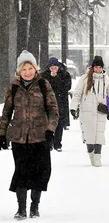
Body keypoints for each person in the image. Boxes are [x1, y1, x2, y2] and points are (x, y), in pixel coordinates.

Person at [0, 50, 59, 219]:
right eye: (24, 69)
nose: (27, 72)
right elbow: (6, 112)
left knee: (40, 172)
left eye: (30, 68)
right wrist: (2, 134)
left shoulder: (43, 85)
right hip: (19, 137)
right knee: (21, 172)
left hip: (40, 136)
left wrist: (50, 129)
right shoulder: (13, 86)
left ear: (35, 68)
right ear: (19, 71)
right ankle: (21, 208)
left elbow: (53, 110)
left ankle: (34, 206)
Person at [70, 56, 109, 167]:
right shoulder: (84, 79)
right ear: (92, 67)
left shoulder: (105, 80)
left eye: (100, 67)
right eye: (96, 67)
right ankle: (92, 155)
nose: (98, 69)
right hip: (87, 111)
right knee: (89, 137)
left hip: (100, 111)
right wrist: (73, 107)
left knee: (99, 136)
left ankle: (97, 158)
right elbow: (77, 94)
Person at [40, 57, 72, 152]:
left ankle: (57, 143)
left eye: (55, 68)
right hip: (47, 103)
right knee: (48, 123)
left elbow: (66, 87)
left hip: (61, 103)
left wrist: (56, 78)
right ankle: (49, 143)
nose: (54, 70)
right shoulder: (44, 76)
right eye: (52, 68)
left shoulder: (64, 75)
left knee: (59, 124)